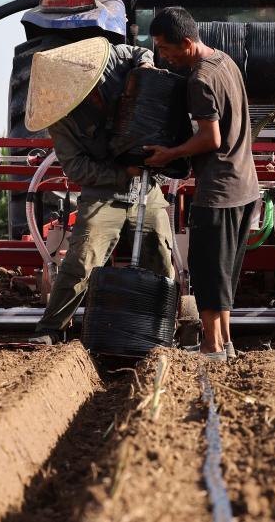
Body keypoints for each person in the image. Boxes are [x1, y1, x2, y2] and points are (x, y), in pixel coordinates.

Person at [26, 36, 174, 344]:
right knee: (82, 260)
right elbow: (76, 168)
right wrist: (122, 174)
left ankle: (164, 332)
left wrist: (146, 65)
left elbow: (141, 50)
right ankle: (51, 329)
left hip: (146, 186)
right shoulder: (62, 119)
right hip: (104, 190)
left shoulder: (115, 60)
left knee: (161, 257)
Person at [144, 7, 259, 362]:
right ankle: (225, 342)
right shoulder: (225, 61)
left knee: (208, 271)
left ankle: (211, 346)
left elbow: (211, 138)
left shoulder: (200, 80)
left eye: (166, 49)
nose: (164, 56)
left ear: (187, 43)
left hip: (219, 191)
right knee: (223, 273)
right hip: (245, 186)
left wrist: (171, 153)